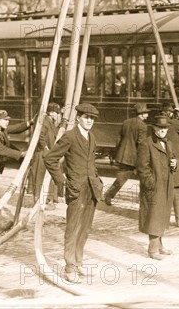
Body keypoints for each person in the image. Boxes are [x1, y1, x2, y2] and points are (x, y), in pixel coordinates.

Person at [44, 103, 103, 283]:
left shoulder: (92, 137)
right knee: (73, 228)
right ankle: (69, 267)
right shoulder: (69, 136)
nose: (89, 121)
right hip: (75, 189)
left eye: (92, 118)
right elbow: (50, 158)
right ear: (78, 118)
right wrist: (62, 182)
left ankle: (78, 261)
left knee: (85, 228)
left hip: (91, 188)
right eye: (86, 117)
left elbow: (90, 163)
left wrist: (97, 179)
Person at [137, 114, 177, 260]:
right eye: (160, 127)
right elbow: (142, 167)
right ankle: (152, 249)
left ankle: (159, 246)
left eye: (165, 128)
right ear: (154, 128)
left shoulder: (168, 143)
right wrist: (151, 183)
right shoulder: (146, 143)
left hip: (166, 185)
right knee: (154, 215)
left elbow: (172, 158)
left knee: (162, 214)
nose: (162, 130)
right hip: (154, 186)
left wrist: (175, 163)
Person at [103, 103, 150, 206]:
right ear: (141, 114)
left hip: (123, 155)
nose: (147, 115)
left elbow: (119, 138)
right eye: (146, 113)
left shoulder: (126, 122)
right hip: (133, 158)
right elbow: (141, 144)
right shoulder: (142, 126)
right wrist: (143, 159)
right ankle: (144, 200)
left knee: (121, 178)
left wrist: (117, 152)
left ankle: (108, 195)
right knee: (143, 177)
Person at [32, 102, 62, 206]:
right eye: (55, 113)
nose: (57, 115)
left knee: (47, 176)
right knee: (41, 177)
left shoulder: (51, 122)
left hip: (47, 154)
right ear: (51, 112)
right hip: (42, 154)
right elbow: (40, 136)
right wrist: (45, 148)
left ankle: (48, 198)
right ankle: (41, 199)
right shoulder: (45, 121)